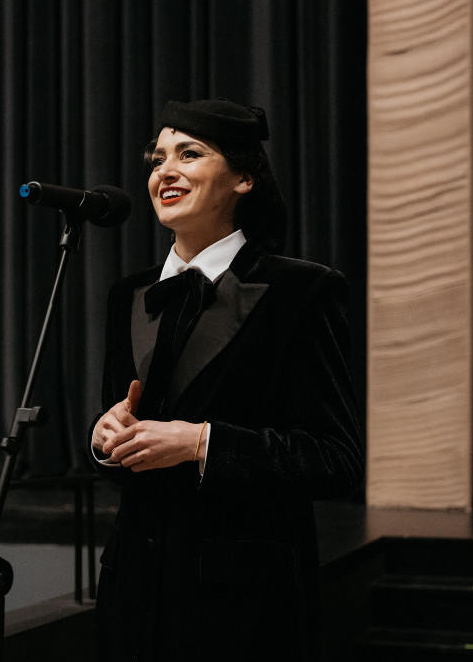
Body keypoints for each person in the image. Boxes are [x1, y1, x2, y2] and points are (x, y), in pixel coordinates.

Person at [89, 98, 363, 661]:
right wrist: (104, 440)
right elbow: (125, 435)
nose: (165, 172)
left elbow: (336, 461)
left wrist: (202, 443)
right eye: (157, 159)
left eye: (189, 154)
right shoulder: (129, 295)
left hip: (241, 609)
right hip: (132, 596)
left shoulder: (301, 292)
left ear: (244, 178)